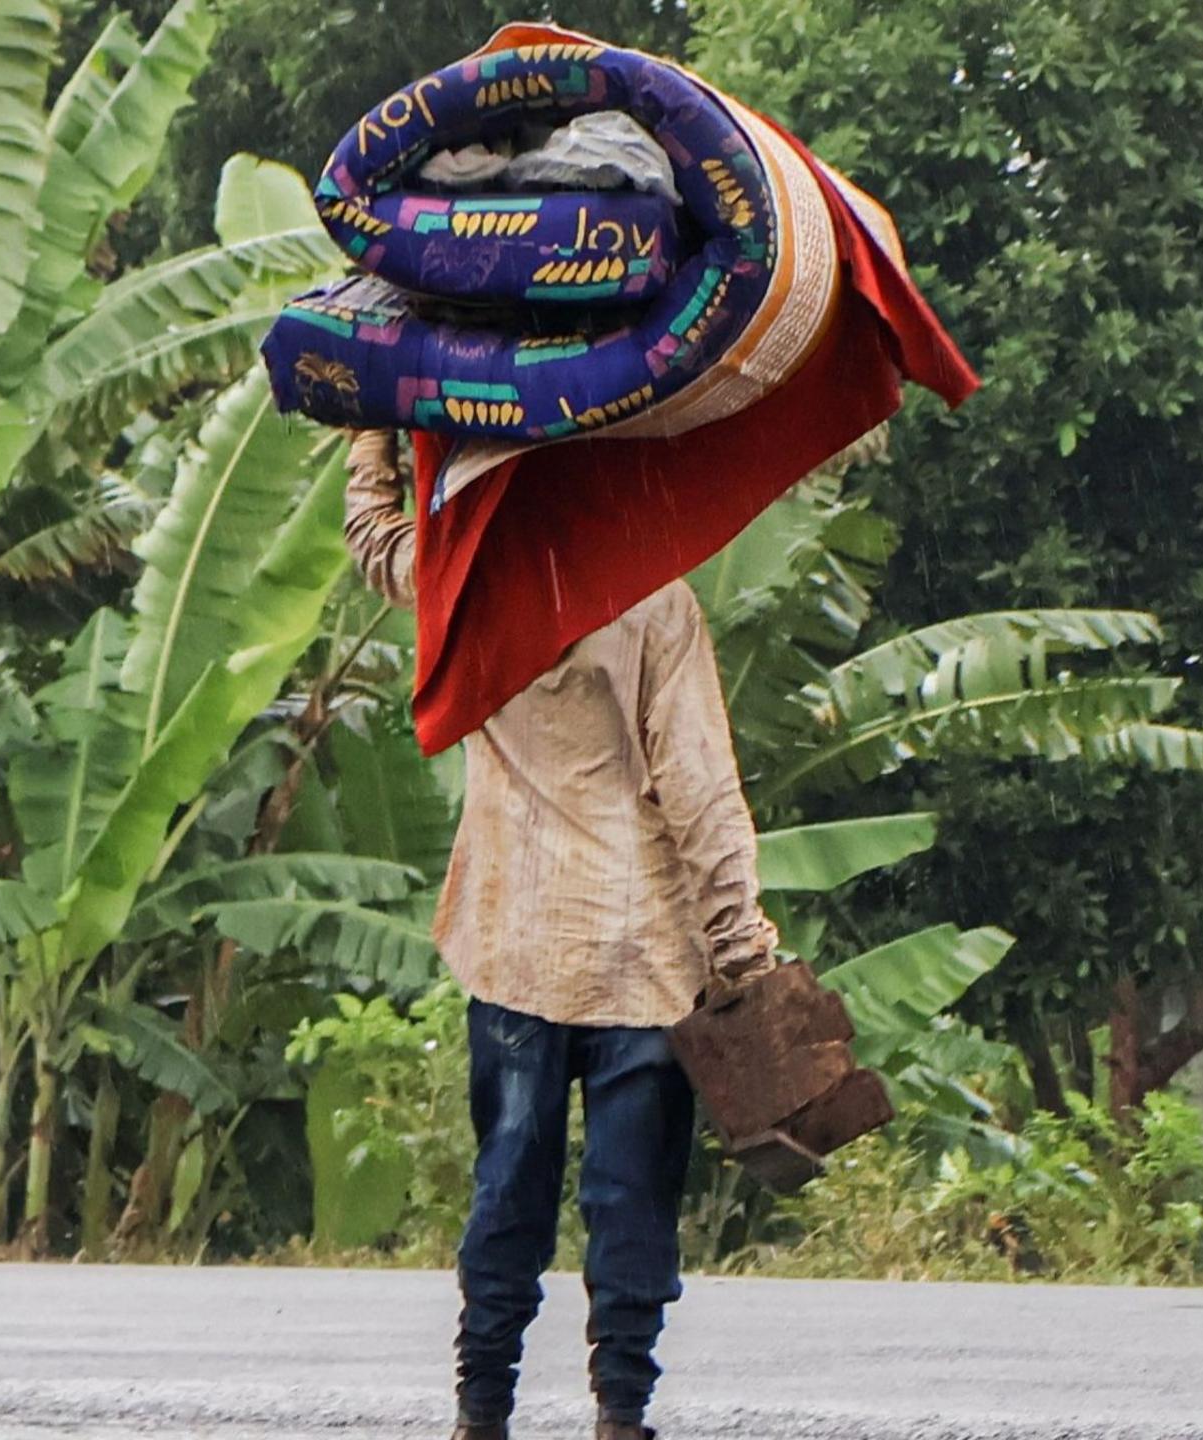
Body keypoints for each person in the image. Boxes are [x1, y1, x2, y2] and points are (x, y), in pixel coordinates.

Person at [341, 429, 781, 1440]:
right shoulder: (652, 600)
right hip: (645, 956)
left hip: (513, 939)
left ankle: (481, 1406)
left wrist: (370, 438)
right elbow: (703, 793)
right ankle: (621, 1410)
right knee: (630, 1200)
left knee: (508, 1184)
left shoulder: (466, 582)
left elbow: (376, 542)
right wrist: (743, 951)